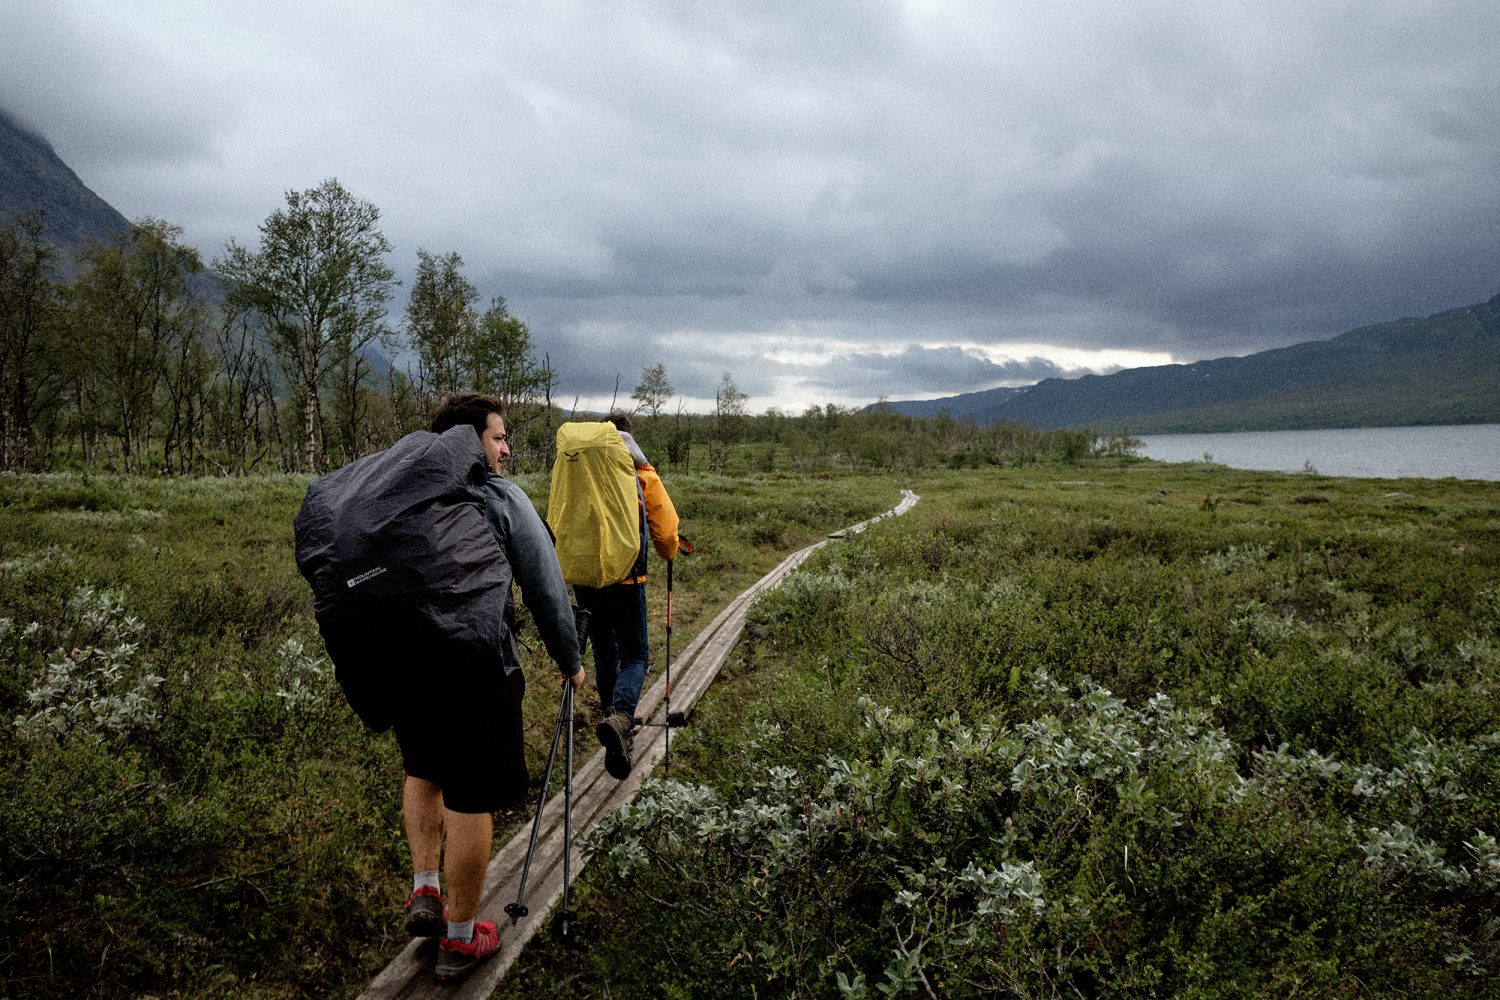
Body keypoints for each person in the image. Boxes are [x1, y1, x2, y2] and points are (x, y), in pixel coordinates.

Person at [295, 392, 583, 983]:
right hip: (473, 659)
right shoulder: (496, 495)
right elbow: (545, 585)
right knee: (471, 791)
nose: (505, 448)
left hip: (400, 658)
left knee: (424, 767)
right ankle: (459, 938)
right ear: (470, 439)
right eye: (499, 437)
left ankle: (424, 887)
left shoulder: (397, 495)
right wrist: (571, 660)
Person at [572, 410, 679, 780]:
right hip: (626, 579)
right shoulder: (639, 470)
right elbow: (665, 532)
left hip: (586, 576)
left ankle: (611, 720)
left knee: (605, 650)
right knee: (635, 654)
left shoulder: (581, 467)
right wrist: (670, 552)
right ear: (630, 438)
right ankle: (620, 718)